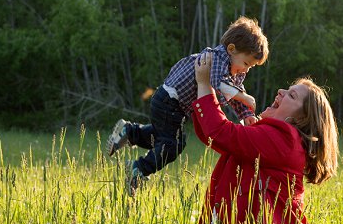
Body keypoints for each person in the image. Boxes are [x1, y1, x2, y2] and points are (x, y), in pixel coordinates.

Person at [191, 52, 338, 224]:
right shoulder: (271, 138)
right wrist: (203, 90)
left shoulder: (285, 138)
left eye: (292, 95)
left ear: (302, 118)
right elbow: (215, 137)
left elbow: (221, 133)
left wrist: (203, 83)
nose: (281, 91)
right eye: (287, 89)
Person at [104, 17, 269, 196]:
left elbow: (235, 93)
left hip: (172, 103)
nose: (246, 70)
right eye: (246, 63)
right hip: (170, 100)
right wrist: (245, 97)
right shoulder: (217, 58)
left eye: (251, 67)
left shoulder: (233, 68)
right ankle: (138, 169)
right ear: (231, 49)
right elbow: (218, 83)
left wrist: (245, 114)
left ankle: (129, 132)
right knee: (172, 144)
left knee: (166, 138)